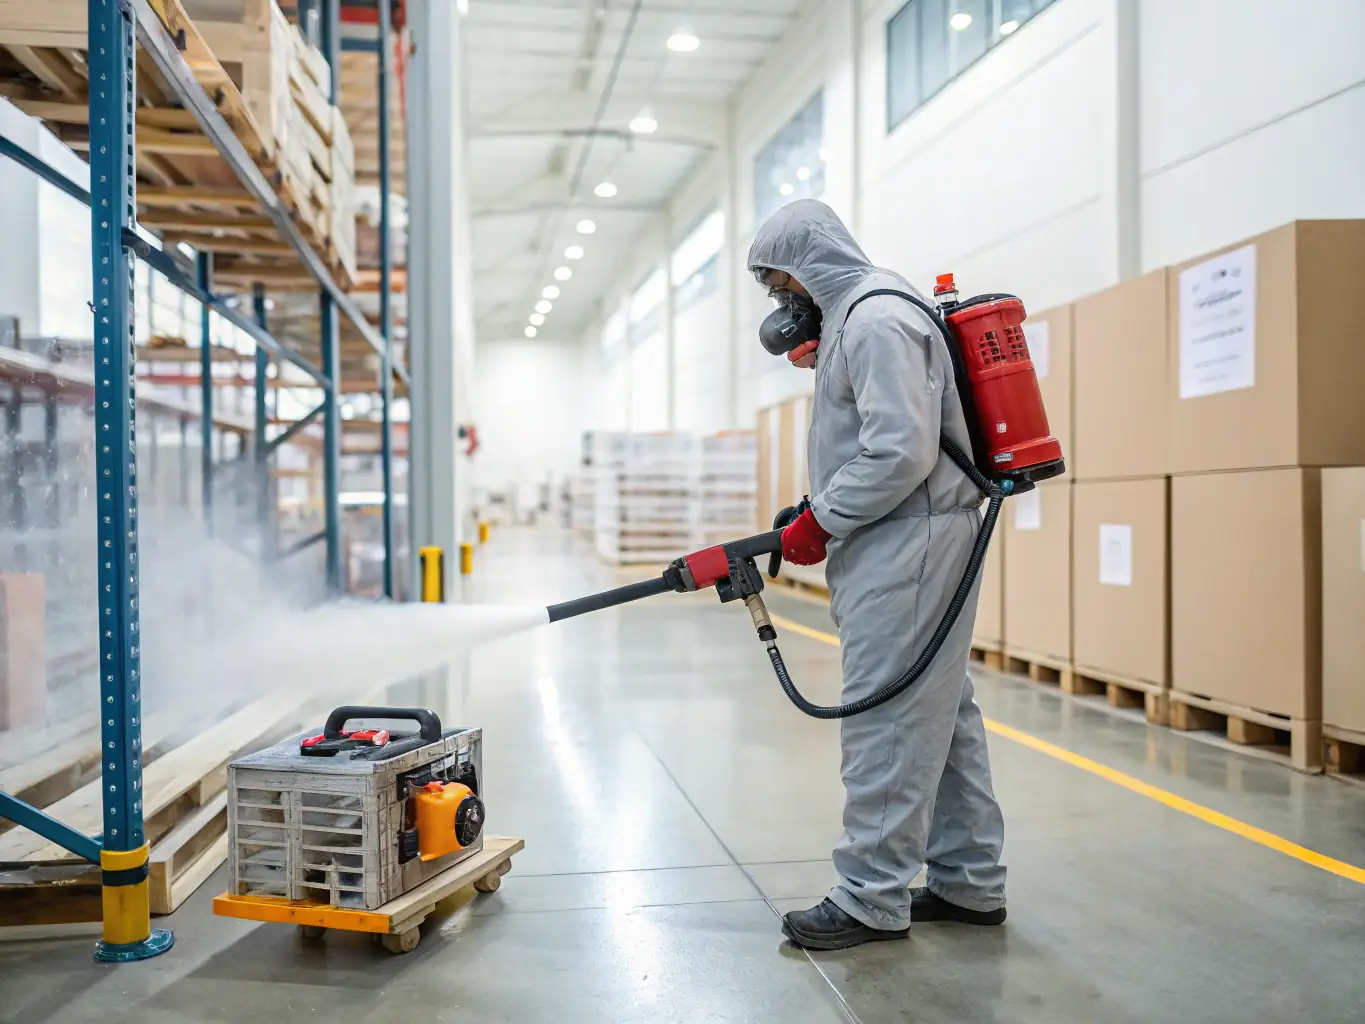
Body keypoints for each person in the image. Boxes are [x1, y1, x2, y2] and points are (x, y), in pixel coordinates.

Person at [750, 199, 1007, 951]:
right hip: (897, 536)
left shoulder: (875, 320)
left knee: (885, 716)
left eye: (779, 284)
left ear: (808, 265)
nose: (780, 305)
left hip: (910, 540)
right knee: (937, 713)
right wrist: (821, 506)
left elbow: (899, 452)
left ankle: (868, 896)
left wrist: (822, 520)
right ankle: (967, 881)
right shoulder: (861, 319)